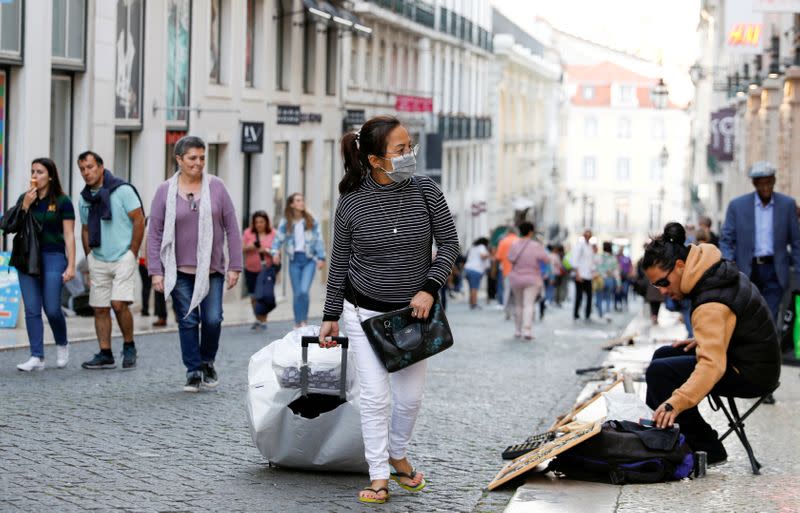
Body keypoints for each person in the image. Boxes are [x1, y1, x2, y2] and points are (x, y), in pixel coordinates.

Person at [318, 115, 459, 504]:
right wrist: (331, 316)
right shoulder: (351, 202)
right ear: (376, 160)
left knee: (410, 399)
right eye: (400, 150)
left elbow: (449, 244)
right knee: (376, 398)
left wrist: (430, 288)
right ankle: (378, 475)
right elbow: (340, 263)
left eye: (409, 146)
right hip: (363, 314)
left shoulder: (427, 191)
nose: (409, 155)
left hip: (414, 316)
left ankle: (398, 453)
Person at [642, 222, 780, 464]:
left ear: (680, 266)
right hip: (751, 359)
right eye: (656, 286)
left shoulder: (710, 302)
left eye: (663, 283)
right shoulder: (713, 271)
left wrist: (675, 403)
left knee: (660, 372)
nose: (662, 291)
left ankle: (704, 447)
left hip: (753, 373)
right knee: (664, 354)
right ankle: (671, 436)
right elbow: (736, 321)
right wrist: (704, 340)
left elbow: (711, 366)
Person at [148, 136, 243, 392]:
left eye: (202, 158)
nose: (198, 163)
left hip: (212, 269)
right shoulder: (164, 191)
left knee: (213, 319)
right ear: (179, 159)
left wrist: (235, 265)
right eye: (192, 158)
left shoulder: (217, 187)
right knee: (188, 321)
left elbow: (232, 228)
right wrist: (155, 270)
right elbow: (155, 231)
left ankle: (207, 361)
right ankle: (193, 370)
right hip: (178, 270)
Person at [78, 151, 144, 370]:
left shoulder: (123, 190)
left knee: (118, 303)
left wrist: (132, 253)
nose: (86, 172)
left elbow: (139, 220)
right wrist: (88, 256)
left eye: (90, 167)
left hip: (123, 256)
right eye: (82, 169)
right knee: (99, 308)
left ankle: (129, 345)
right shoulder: (84, 198)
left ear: (101, 167)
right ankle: (105, 352)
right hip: (98, 257)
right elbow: (85, 228)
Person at [11, 158, 75, 371]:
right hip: (27, 256)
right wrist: (25, 206)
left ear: (50, 175)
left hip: (53, 256)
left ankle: (62, 343)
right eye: (32, 171)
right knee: (31, 308)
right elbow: (13, 226)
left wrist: (71, 265)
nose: (35, 175)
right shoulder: (26, 198)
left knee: (52, 308)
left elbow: (69, 235)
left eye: (39, 171)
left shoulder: (63, 201)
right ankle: (36, 356)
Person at [720, 161, 800, 325]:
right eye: (761, 184)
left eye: (769, 182)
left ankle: (767, 349)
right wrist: (730, 263)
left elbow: (797, 242)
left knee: (769, 317)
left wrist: (798, 274)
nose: (765, 188)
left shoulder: (787, 205)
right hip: (747, 270)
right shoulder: (737, 206)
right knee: (748, 317)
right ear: (754, 184)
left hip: (775, 272)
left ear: (774, 181)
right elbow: (726, 239)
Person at [271, 193, 326, 328]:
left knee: (303, 291)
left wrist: (321, 257)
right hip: (294, 261)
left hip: (309, 260)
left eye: (302, 200)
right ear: (292, 204)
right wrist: (275, 252)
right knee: (297, 293)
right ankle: (298, 322)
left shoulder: (311, 220)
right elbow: (278, 239)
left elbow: (319, 239)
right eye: (298, 200)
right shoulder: (286, 222)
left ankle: (304, 321)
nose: (302, 202)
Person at [508, 221, 550, 340]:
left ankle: (517, 330)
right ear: (531, 232)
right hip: (532, 279)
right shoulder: (536, 245)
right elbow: (546, 259)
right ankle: (527, 331)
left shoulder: (514, 244)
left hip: (516, 278)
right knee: (528, 304)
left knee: (518, 304)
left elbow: (510, 258)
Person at [242, 210, 276, 331]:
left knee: (265, 296)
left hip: (266, 270)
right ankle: (257, 318)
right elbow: (242, 248)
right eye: (256, 222)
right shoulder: (248, 233)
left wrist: (265, 250)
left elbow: (277, 252)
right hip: (250, 270)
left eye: (261, 222)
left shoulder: (273, 234)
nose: (259, 224)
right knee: (253, 296)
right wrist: (249, 246)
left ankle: (263, 319)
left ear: (266, 222)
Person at [139, 218, 168, 327]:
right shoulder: (148, 227)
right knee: (157, 290)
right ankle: (161, 315)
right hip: (150, 262)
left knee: (159, 290)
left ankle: (162, 315)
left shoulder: (152, 227)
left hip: (156, 262)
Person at [571, 229, 595, 321]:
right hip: (580, 275)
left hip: (588, 275)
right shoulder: (580, 246)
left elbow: (591, 262)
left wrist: (593, 272)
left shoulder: (590, 247)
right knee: (579, 296)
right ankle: (576, 313)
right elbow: (575, 260)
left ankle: (587, 314)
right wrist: (577, 274)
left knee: (589, 296)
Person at [496, 227, 519, 318]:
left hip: (506, 270)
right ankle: (515, 311)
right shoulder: (519, 241)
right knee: (516, 292)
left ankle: (507, 312)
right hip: (518, 271)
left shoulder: (503, 242)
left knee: (507, 291)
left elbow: (498, 257)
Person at [595, 242, 619, 319]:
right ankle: (607, 311)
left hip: (600, 279)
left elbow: (595, 268)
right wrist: (619, 283)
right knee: (608, 296)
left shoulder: (599, 257)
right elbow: (616, 271)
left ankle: (600, 313)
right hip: (610, 279)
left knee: (599, 296)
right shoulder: (613, 258)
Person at [464, 237, 490, 309]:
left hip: (468, 268)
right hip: (476, 270)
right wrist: (490, 254)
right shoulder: (482, 247)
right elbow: (482, 256)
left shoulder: (473, 248)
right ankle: (474, 304)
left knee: (471, 287)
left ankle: (471, 303)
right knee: (474, 287)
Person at [614, 247, 633, 311]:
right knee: (618, 292)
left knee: (625, 291)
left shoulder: (627, 258)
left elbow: (630, 267)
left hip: (625, 278)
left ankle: (625, 303)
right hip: (618, 277)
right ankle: (618, 304)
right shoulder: (617, 258)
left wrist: (630, 274)